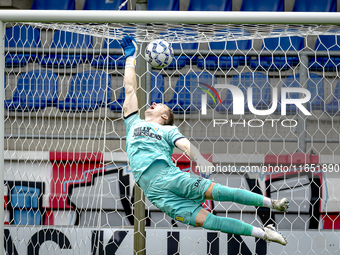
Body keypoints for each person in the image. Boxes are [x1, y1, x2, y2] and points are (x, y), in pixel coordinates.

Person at [120, 35, 288, 245]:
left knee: (218, 192)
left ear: (165, 117)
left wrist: (198, 158)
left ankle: (272, 203)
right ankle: (264, 233)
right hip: (156, 194)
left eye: (161, 104)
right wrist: (130, 59)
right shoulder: (133, 122)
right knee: (209, 221)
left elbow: (184, 144)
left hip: (170, 177)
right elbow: (129, 89)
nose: (153, 102)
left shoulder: (169, 130)